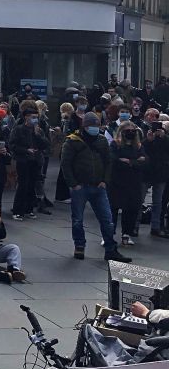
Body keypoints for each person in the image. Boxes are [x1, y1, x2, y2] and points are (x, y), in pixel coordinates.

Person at [62, 112, 131, 262]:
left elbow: (108, 162)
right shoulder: (72, 141)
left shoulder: (101, 141)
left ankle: (110, 249)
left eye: (97, 125)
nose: (95, 128)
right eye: (92, 126)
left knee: (107, 220)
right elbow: (65, 164)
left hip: (98, 186)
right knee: (77, 220)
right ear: (85, 126)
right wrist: (73, 184)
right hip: (80, 186)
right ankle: (79, 246)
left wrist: (105, 181)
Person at [108, 122, 147, 247]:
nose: (130, 133)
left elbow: (144, 161)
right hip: (117, 181)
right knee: (113, 209)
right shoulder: (115, 144)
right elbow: (114, 160)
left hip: (133, 182)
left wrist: (128, 161)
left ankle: (126, 234)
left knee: (131, 209)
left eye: (132, 130)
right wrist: (135, 161)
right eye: (127, 130)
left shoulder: (139, 146)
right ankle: (108, 234)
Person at [9, 101, 48, 220]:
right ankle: (18, 210)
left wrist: (38, 135)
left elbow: (45, 144)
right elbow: (12, 145)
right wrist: (26, 150)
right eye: (33, 117)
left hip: (35, 160)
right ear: (26, 117)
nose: (35, 120)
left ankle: (29, 208)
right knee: (23, 185)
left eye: (36, 117)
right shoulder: (18, 129)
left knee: (32, 185)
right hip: (23, 160)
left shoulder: (38, 130)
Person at [144, 121, 169, 238]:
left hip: (161, 172)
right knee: (140, 199)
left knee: (158, 201)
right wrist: (149, 140)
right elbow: (142, 148)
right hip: (147, 171)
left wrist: (164, 137)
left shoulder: (165, 139)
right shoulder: (146, 134)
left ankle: (156, 226)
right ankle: (134, 226)